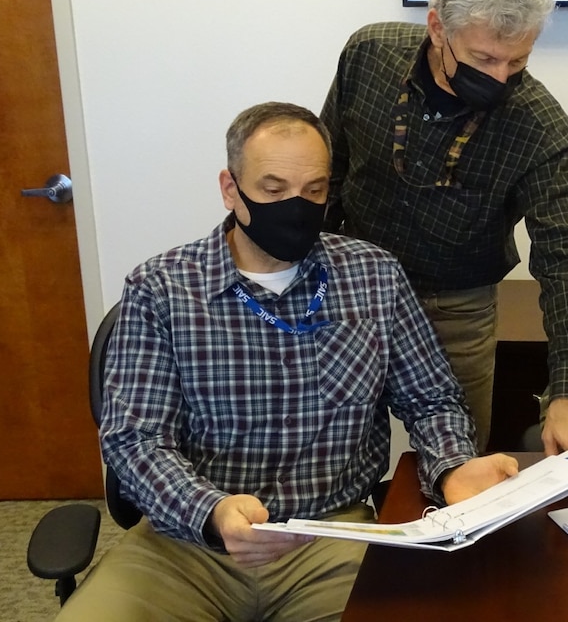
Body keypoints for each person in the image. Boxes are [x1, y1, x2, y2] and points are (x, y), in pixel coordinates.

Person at [58, 102, 518, 620]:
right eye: (273, 190)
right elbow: (134, 438)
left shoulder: (373, 276)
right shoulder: (162, 288)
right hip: (186, 545)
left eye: (314, 190)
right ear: (230, 189)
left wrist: (453, 466)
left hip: (329, 537)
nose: (296, 206)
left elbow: (432, 399)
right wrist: (210, 511)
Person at [320, 0, 568, 478]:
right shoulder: (370, 54)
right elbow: (327, 170)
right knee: (334, 449)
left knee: (459, 463)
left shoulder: (538, 124)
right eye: (484, 59)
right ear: (437, 28)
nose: (500, 78)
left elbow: (566, 253)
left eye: (517, 60)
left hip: (457, 306)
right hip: (352, 289)